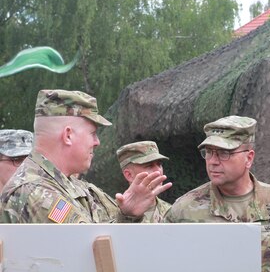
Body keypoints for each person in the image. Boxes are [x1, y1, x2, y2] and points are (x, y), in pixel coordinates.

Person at [164, 115, 270, 272]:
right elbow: (162, 262)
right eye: (208, 152)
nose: (213, 161)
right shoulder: (184, 210)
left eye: (223, 153)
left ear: (248, 158)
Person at [0, 89, 172, 223]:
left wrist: (128, 213)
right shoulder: (34, 191)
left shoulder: (76, 187)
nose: (97, 142)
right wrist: (128, 216)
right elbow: (88, 252)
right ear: (68, 135)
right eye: (92, 133)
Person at [116, 141, 172, 223]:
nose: (158, 171)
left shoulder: (171, 212)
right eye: (149, 166)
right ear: (129, 175)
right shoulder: (111, 212)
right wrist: (127, 216)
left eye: (159, 164)